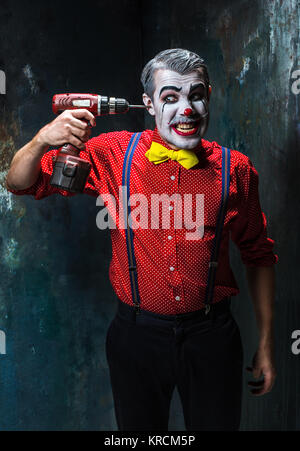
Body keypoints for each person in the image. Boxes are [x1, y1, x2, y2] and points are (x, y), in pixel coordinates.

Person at [6, 48, 278, 431]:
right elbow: (18, 183)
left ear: (209, 97)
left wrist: (266, 343)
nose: (186, 109)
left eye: (195, 95)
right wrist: (42, 139)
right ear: (149, 104)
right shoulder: (113, 154)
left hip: (212, 339)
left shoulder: (237, 170)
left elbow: (259, 255)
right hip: (135, 338)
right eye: (170, 97)